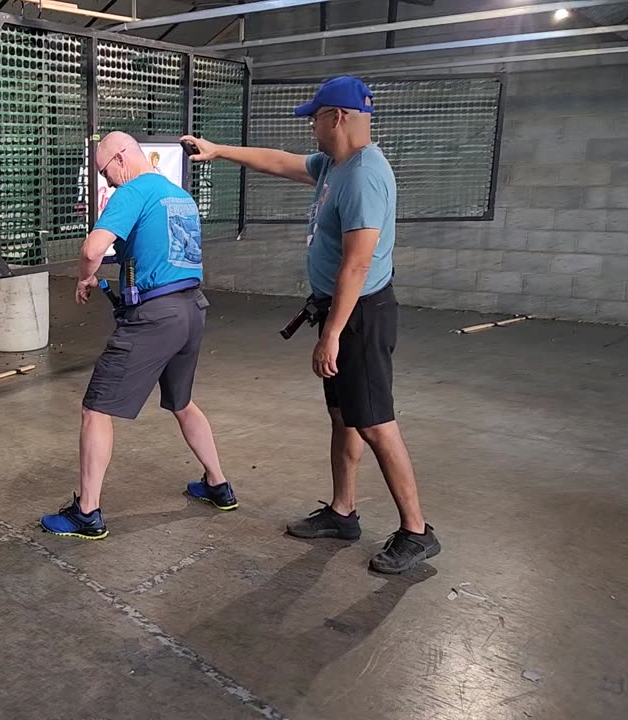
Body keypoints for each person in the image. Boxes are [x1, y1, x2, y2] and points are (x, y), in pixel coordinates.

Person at [182, 76, 441, 574]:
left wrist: (333, 334)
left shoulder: (365, 175)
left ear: (337, 117)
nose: (311, 127)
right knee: (345, 417)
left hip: (360, 314)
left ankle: (416, 530)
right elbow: (280, 161)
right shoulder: (335, 166)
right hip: (341, 310)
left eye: (315, 117)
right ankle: (343, 513)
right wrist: (219, 151)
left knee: (375, 423)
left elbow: (357, 264)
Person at [39, 131, 237, 540]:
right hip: (190, 309)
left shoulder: (132, 191)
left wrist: (85, 277)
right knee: (182, 402)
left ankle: (86, 513)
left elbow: (93, 249)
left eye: (106, 172)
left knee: (96, 409)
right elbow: (155, 249)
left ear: (121, 157)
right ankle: (218, 485)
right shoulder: (178, 195)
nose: (107, 182)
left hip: (155, 317)